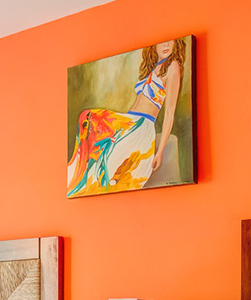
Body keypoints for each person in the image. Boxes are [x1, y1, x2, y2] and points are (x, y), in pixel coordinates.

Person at [67, 39, 185, 195]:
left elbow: (169, 113)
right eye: (163, 42)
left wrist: (160, 152)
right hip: (128, 120)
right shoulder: (152, 68)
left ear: (176, 45)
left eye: (171, 42)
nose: (166, 45)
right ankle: (77, 177)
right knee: (87, 118)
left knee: (109, 165)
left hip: (141, 126)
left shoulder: (173, 67)